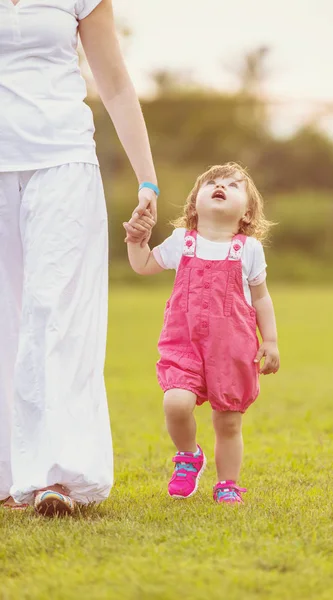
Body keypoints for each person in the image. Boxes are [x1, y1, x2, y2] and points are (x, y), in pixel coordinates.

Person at [0, 0, 157, 515]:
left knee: (51, 312)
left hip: (63, 160)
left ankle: (56, 476)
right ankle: (8, 473)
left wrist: (147, 178)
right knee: (6, 317)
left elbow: (114, 82)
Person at [123, 162, 280, 504]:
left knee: (228, 422)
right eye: (212, 183)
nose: (220, 186)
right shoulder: (183, 242)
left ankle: (227, 483)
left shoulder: (248, 249)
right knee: (175, 402)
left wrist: (270, 340)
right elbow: (143, 264)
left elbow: (261, 297)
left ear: (247, 212)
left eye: (232, 185)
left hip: (233, 349)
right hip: (185, 344)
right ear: (195, 204)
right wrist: (137, 241)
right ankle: (188, 455)